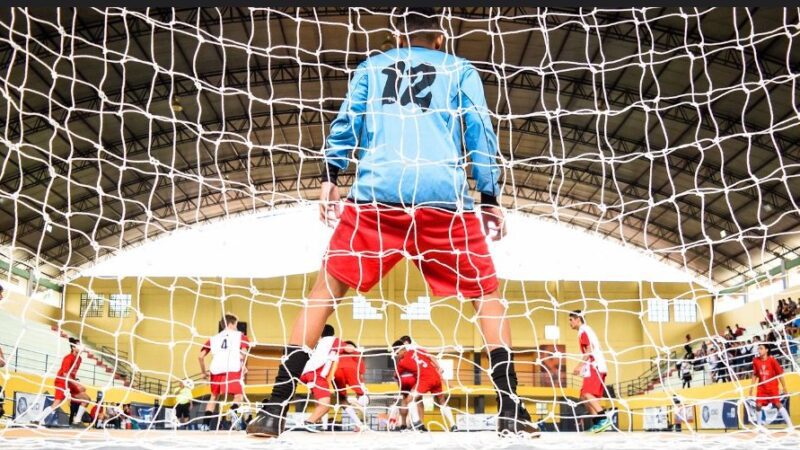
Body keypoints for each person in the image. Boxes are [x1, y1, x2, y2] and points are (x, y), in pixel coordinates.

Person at [246, 7, 536, 438]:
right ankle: (512, 409)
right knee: (486, 294)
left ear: (399, 34)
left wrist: (330, 176)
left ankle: (273, 408)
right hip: (442, 195)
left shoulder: (373, 66)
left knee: (325, 289)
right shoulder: (460, 69)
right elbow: (480, 132)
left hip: (379, 190)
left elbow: (349, 123)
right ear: (440, 37)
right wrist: (490, 195)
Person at [198, 314, 250, 431]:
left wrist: (203, 372)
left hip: (216, 369)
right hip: (232, 367)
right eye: (236, 324)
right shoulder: (240, 336)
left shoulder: (213, 338)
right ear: (232, 324)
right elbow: (243, 354)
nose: (237, 326)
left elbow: (200, 357)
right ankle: (233, 410)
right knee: (238, 396)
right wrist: (243, 367)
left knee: (214, 397)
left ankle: (205, 425)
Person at [392, 338, 456, 432]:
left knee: (409, 400)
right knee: (442, 401)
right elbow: (430, 356)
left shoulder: (402, 363)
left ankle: (417, 423)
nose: (397, 356)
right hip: (436, 376)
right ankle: (453, 425)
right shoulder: (416, 350)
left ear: (401, 350)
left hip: (425, 379)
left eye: (397, 353)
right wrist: (439, 367)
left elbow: (396, 374)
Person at [568, 311, 612, 433]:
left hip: (595, 365)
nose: (569, 323)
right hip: (593, 366)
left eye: (571, 320)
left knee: (587, 393)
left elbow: (590, 349)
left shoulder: (584, 330)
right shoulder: (584, 331)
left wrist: (579, 365)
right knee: (584, 396)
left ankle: (603, 419)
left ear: (578, 319)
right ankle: (597, 422)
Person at [35, 338, 91, 426]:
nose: (81, 347)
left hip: (70, 383)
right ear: (73, 348)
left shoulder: (79, 359)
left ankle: (77, 420)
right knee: (57, 403)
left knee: (87, 399)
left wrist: (76, 385)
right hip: (61, 381)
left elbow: (71, 375)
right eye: (78, 345)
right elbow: (65, 374)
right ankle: (37, 419)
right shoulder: (68, 358)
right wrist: (77, 384)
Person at [748, 343, 792, 430]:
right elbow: (755, 375)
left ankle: (790, 425)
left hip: (772, 387)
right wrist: (751, 388)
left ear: (766, 350)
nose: (759, 350)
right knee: (758, 405)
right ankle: (759, 426)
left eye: (761, 348)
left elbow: (780, 374)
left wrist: (784, 387)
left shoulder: (772, 360)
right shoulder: (755, 360)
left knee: (778, 404)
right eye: (758, 349)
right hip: (762, 388)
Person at [331, 340, 369, 431]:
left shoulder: (336, 350)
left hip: (336, 370)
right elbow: (362, 370)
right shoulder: (356, 353)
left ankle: (358, 424)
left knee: (342, 399)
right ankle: (356, 403)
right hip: (352, 370)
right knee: (363, 395)